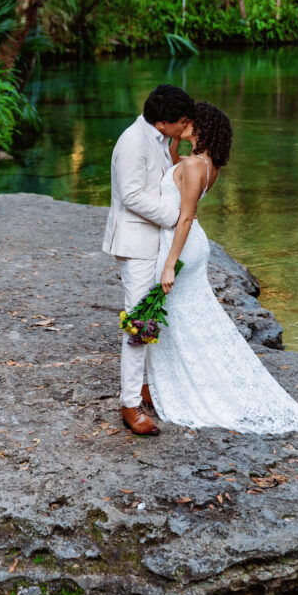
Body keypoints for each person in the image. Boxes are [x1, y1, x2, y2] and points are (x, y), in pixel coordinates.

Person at [147, 101, 298, 435]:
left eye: (188, 121)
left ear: (201, 126)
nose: (183, 122)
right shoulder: (205, 163)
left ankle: (188, 386)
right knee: (189, 317)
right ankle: (184, 379)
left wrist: (170, 264)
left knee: (177, 316)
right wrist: (172, 136)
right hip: (192, 245)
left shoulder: (196, 165)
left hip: (180, 245)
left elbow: (185, 217)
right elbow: (173, 168)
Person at [102, 84, 195, 435]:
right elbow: (131, 196)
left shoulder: (158, 138)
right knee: (139, 324)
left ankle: (145, 387)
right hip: (137, 243)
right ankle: (129, 405)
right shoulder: (132, 142)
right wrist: (177, 215)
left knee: (153, 316)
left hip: (155, 241)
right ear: (162, 123)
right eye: (182, 122)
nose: (185, 127)